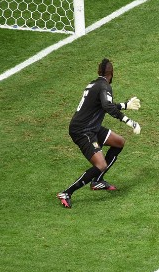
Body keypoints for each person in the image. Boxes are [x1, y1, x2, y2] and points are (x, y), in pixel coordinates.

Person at [56, 58, 142, 209]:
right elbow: (107, 106)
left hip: (91, 127)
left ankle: (97, 181)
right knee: (101, 164)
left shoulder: (94, 84)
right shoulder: (105, 87)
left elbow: (103, 105)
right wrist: (130, 122)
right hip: (83, 130)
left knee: (119, 142)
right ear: (112, 73)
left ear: (99, 72)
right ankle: (67, 192)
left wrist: (125, 105)